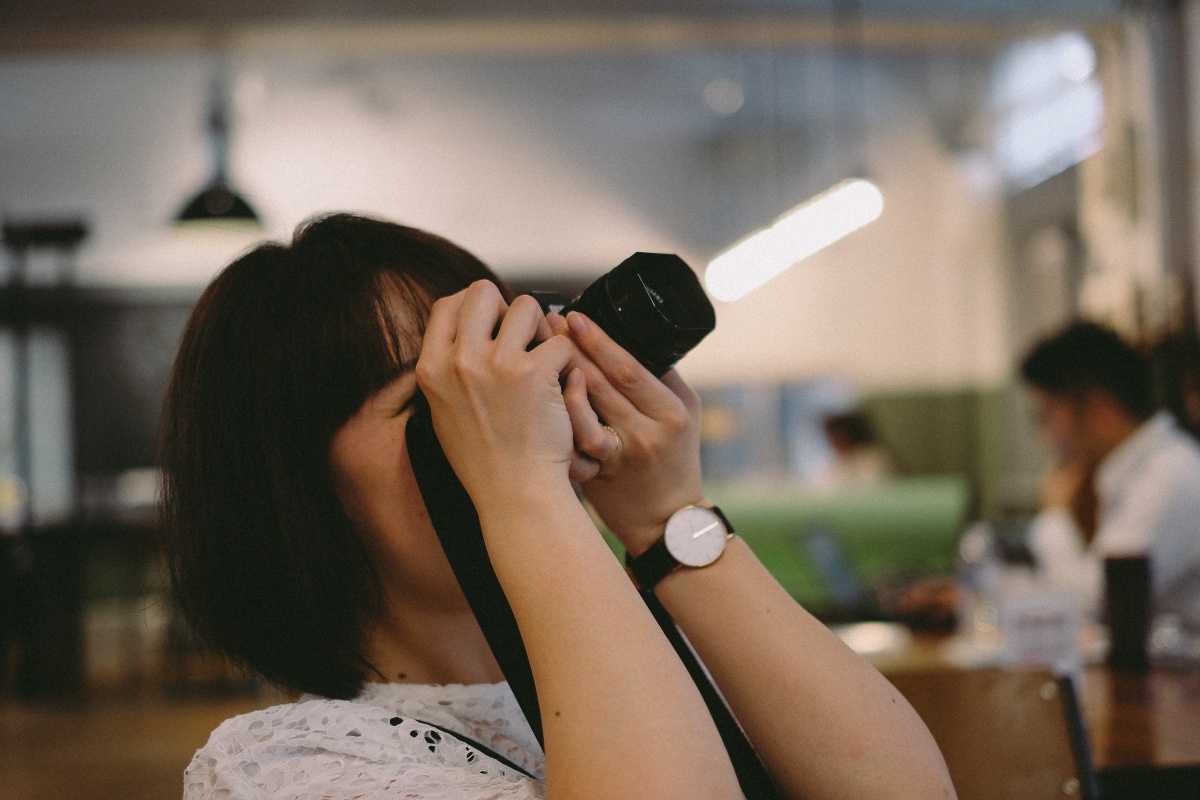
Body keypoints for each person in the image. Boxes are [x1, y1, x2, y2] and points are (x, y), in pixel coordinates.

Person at [162, 213, 954, 799]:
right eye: (439, 397)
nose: (536, 412)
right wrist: (525, 491)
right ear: (291, 479)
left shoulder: (666, 662)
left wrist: (668, 517)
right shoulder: (286, 773)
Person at [1021, 321, 1200, 622]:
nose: (1045, 438)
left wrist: (1056, 517)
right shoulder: (1135, 472)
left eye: (1049, 413)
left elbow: (1098, 603)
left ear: (1101, 409)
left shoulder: (1171, 474)